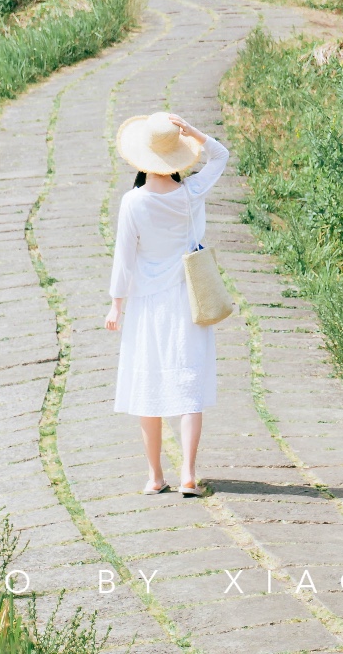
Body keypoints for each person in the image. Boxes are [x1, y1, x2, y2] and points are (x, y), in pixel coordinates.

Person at [105, 109, 229, 496]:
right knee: (189, 383)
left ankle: (155, 476)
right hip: (187, 298)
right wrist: (192, 132)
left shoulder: (133, 203)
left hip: (146, 304)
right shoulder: (191, 194)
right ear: (176, 155)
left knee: (149, 387)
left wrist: (116, 305)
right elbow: (221, 156)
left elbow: (124, 260)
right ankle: (188, 475)